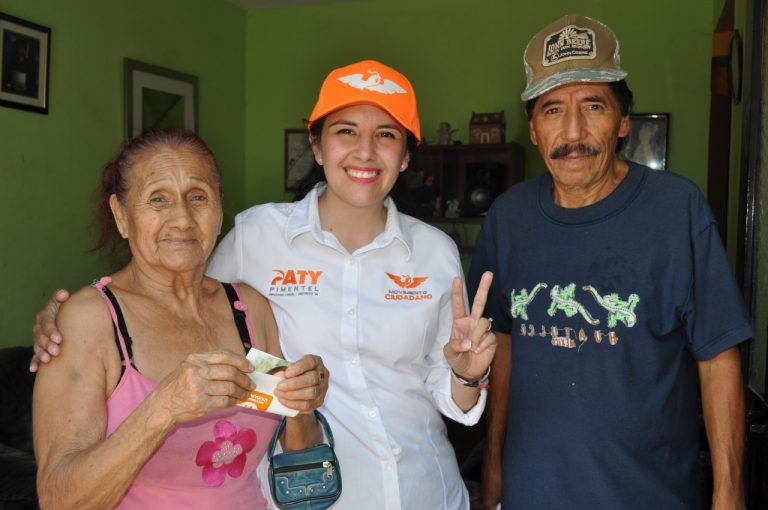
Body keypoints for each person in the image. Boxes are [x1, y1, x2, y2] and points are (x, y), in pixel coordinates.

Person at [31, 60, 497, 509]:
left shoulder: (435, 251)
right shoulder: (258, 236)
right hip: (315, 502)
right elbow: (171, 277)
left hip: (425, 492)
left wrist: (467, 374)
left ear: (407, 154)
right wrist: (73, 316)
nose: (365, 152)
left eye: (387, 134)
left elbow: (448, 394)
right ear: (317, 147)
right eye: (346, 131)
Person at [468, 14, 754, 510]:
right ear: (533, 129)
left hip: (650, 494)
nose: (572, 131)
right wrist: (493, 464)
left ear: (623, 122)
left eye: (593, 105)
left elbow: (717, 355)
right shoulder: (508, 217)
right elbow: (504, 348)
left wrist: (729, 493)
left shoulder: (676, 209)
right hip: (532, 494)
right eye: (552, 109)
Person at [32, 129, 329, 510]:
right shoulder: (91, 321)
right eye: (158, 199)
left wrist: (302, 403)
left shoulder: (248, 309)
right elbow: (58, 499)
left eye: (198, 198)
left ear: (219, 210)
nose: (182, 219)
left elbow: (296, 449)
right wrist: (165, 407)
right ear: (122, 216)